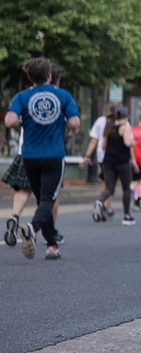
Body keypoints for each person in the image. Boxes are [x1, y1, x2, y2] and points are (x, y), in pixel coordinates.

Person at [4, 57, 81, 260]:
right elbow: (74, 122)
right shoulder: (62, 95)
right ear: (49, 75)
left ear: (30, 77)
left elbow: (9, 120)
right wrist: (69, 126)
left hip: (29, 155)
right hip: (53, 155)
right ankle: (32, 227)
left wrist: (23, 123)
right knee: (48, 199)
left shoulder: (22, 97)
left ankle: (52, 246)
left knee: (42, 200)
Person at [98, 106, 138, 226]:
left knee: (109, 188)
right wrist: (132, 142)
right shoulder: (125, 128)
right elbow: (127, 142)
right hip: (122, 162)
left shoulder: (109, 127)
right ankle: (127, 216)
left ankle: (99, 202)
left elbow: (103, 146)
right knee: (126, 187)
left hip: (108, 161)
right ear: (125, 117)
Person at [81, 103, 119, 222]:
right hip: (116, 157)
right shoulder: (121, 122)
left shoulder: (100, 121)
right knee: (111, 184)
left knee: (105, 182)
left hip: (102, 157)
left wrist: (87, 155)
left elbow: (93, 140)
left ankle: (107, 206)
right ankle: (104, 204)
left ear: (108, 109)